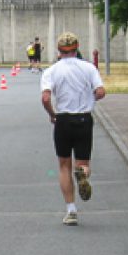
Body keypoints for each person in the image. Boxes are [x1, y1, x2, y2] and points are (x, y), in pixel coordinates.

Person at [40, 32, 105, 226]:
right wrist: (91, 98)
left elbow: (45, 98)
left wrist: (52, 113)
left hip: (63, 120)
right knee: (82, 162)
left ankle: (71, 210)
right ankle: (83, 174)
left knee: (64, 165)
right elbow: (101, 91)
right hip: (84, 118)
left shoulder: (52, 71)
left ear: (59, 51)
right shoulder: (88, 68)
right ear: (77, 49)